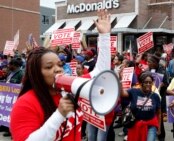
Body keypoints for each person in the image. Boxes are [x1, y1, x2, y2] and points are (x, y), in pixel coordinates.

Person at [10, 9, 111, 141]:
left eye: (59, 64)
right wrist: (59, 115)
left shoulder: (72, 88)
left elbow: (101, 74)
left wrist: (104, 36)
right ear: (36, 74)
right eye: (49, 67)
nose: (58, 69)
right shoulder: (25, 104)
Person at [121, 72, 161, 141]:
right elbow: (122, 94)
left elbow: (159, 113)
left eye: (150, 82)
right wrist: (119, 81)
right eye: (146, 82)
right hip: (135, 125)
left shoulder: (155, 96)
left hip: (151, 125)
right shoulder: (133, 92)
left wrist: (159, 128)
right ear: (141, 83)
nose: (148, 84)